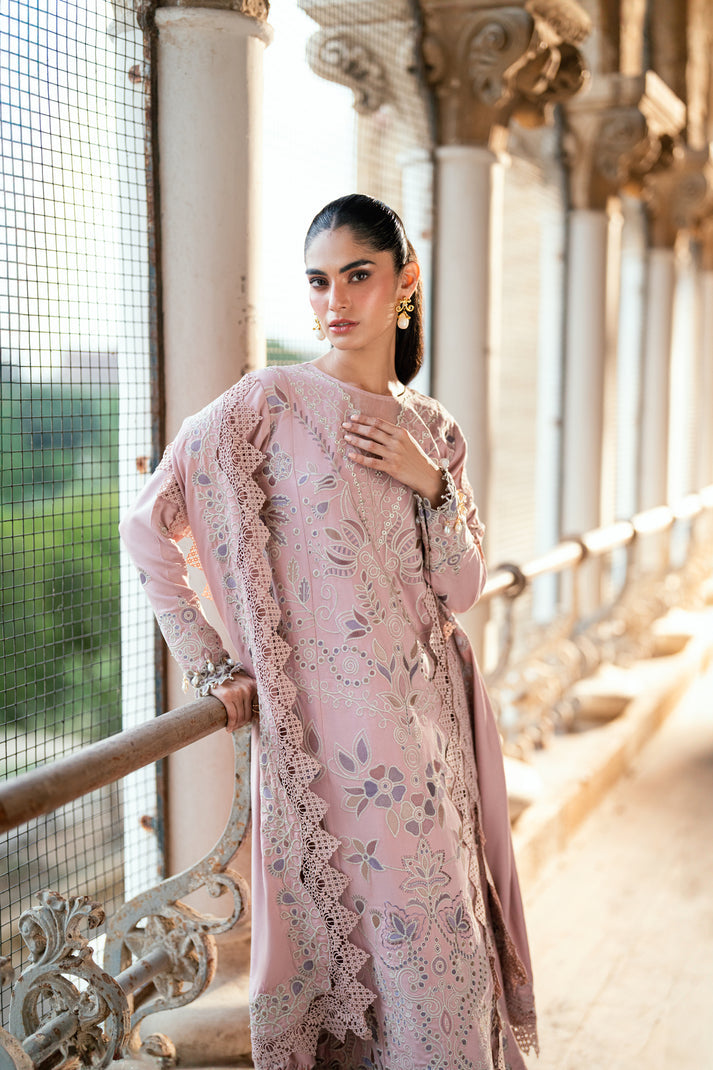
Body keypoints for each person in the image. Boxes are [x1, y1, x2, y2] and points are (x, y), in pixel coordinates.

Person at [120, 194, 537, 1070]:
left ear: (404, 281)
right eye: (317, 281)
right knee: (391, 975)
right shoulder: (268, 405)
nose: (333, 300)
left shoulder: (434, 429)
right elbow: (146, 526)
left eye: (357, 275)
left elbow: (459, 589)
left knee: (451, 961)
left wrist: (432, 487)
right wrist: (211, 664)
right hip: (335, 752)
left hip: (437, 735)